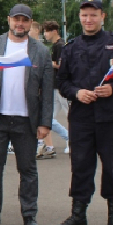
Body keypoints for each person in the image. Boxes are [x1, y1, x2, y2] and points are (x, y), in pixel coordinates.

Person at [54, 0, 113, 225]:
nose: (88, 20)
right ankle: (78, 215)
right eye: (84, 15)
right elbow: (62, 82)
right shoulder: (71, 47)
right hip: (82, 117)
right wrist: (77, 93)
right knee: (80, 166)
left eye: (93, 15)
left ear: (102, 16)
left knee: (112, 167)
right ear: (79, 18)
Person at [0, 3, 54, 225]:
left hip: (26, 120)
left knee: (27, 169)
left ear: (30, 23)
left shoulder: (41, 52)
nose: (20, 24)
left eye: (24, 20)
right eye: (16, 19)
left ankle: (29, 215)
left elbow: (47, 92)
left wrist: (45, 123)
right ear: (9, 20)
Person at [42, 20, 70, 155]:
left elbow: (61, 65)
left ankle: (72, 141)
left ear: (54, 31)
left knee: (70, 115)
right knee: (47, 117)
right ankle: (43, 142)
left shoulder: (60, 46)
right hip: (54, 86)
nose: (45, 34)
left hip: (61, 87)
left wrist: (48, 62)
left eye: (46, 31)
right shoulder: (55, 46)